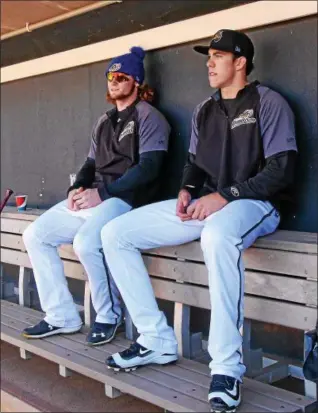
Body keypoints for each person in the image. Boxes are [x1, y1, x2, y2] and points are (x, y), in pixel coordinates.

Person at [100, 30, 297, 412]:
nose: (209, 62)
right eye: (208, 55)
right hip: (210, 201)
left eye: (218, 56)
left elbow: (282, 170)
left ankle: (226, 368)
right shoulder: (205, 109)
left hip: (255, 204)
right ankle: (155, 339)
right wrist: (188, 191)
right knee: (115, 232)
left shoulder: (268, 102)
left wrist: (225, 196)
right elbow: (194, 165)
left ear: (240, 62)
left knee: (218, 234)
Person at [22, 46, 171, 347]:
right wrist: (77, 188)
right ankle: (61, 314)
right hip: (98, 195)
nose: (113, 81)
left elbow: (150, 168)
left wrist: (101, 193)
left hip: (126, 199)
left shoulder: (150, 117)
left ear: (136, 81)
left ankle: (108, 315)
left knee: (86, 242)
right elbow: (91, 164)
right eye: (109, 76)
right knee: (35, 234)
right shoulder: (103, 121)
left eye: (120, 76)